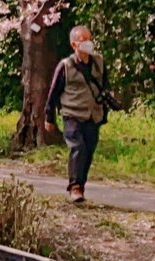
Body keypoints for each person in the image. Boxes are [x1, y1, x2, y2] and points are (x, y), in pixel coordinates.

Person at [44, 24, 115, 204]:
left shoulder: (98, 61)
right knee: (78, 148)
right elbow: (53, 93)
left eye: (89, 39)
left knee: (89, 150)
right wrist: (49, 117)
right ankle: (74, 187)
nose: (87, 44)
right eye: (83, 41)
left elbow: (104, 83)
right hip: (72, 114)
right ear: (74, 44)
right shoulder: (66, 66)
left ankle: (81, 186)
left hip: (93, 114)